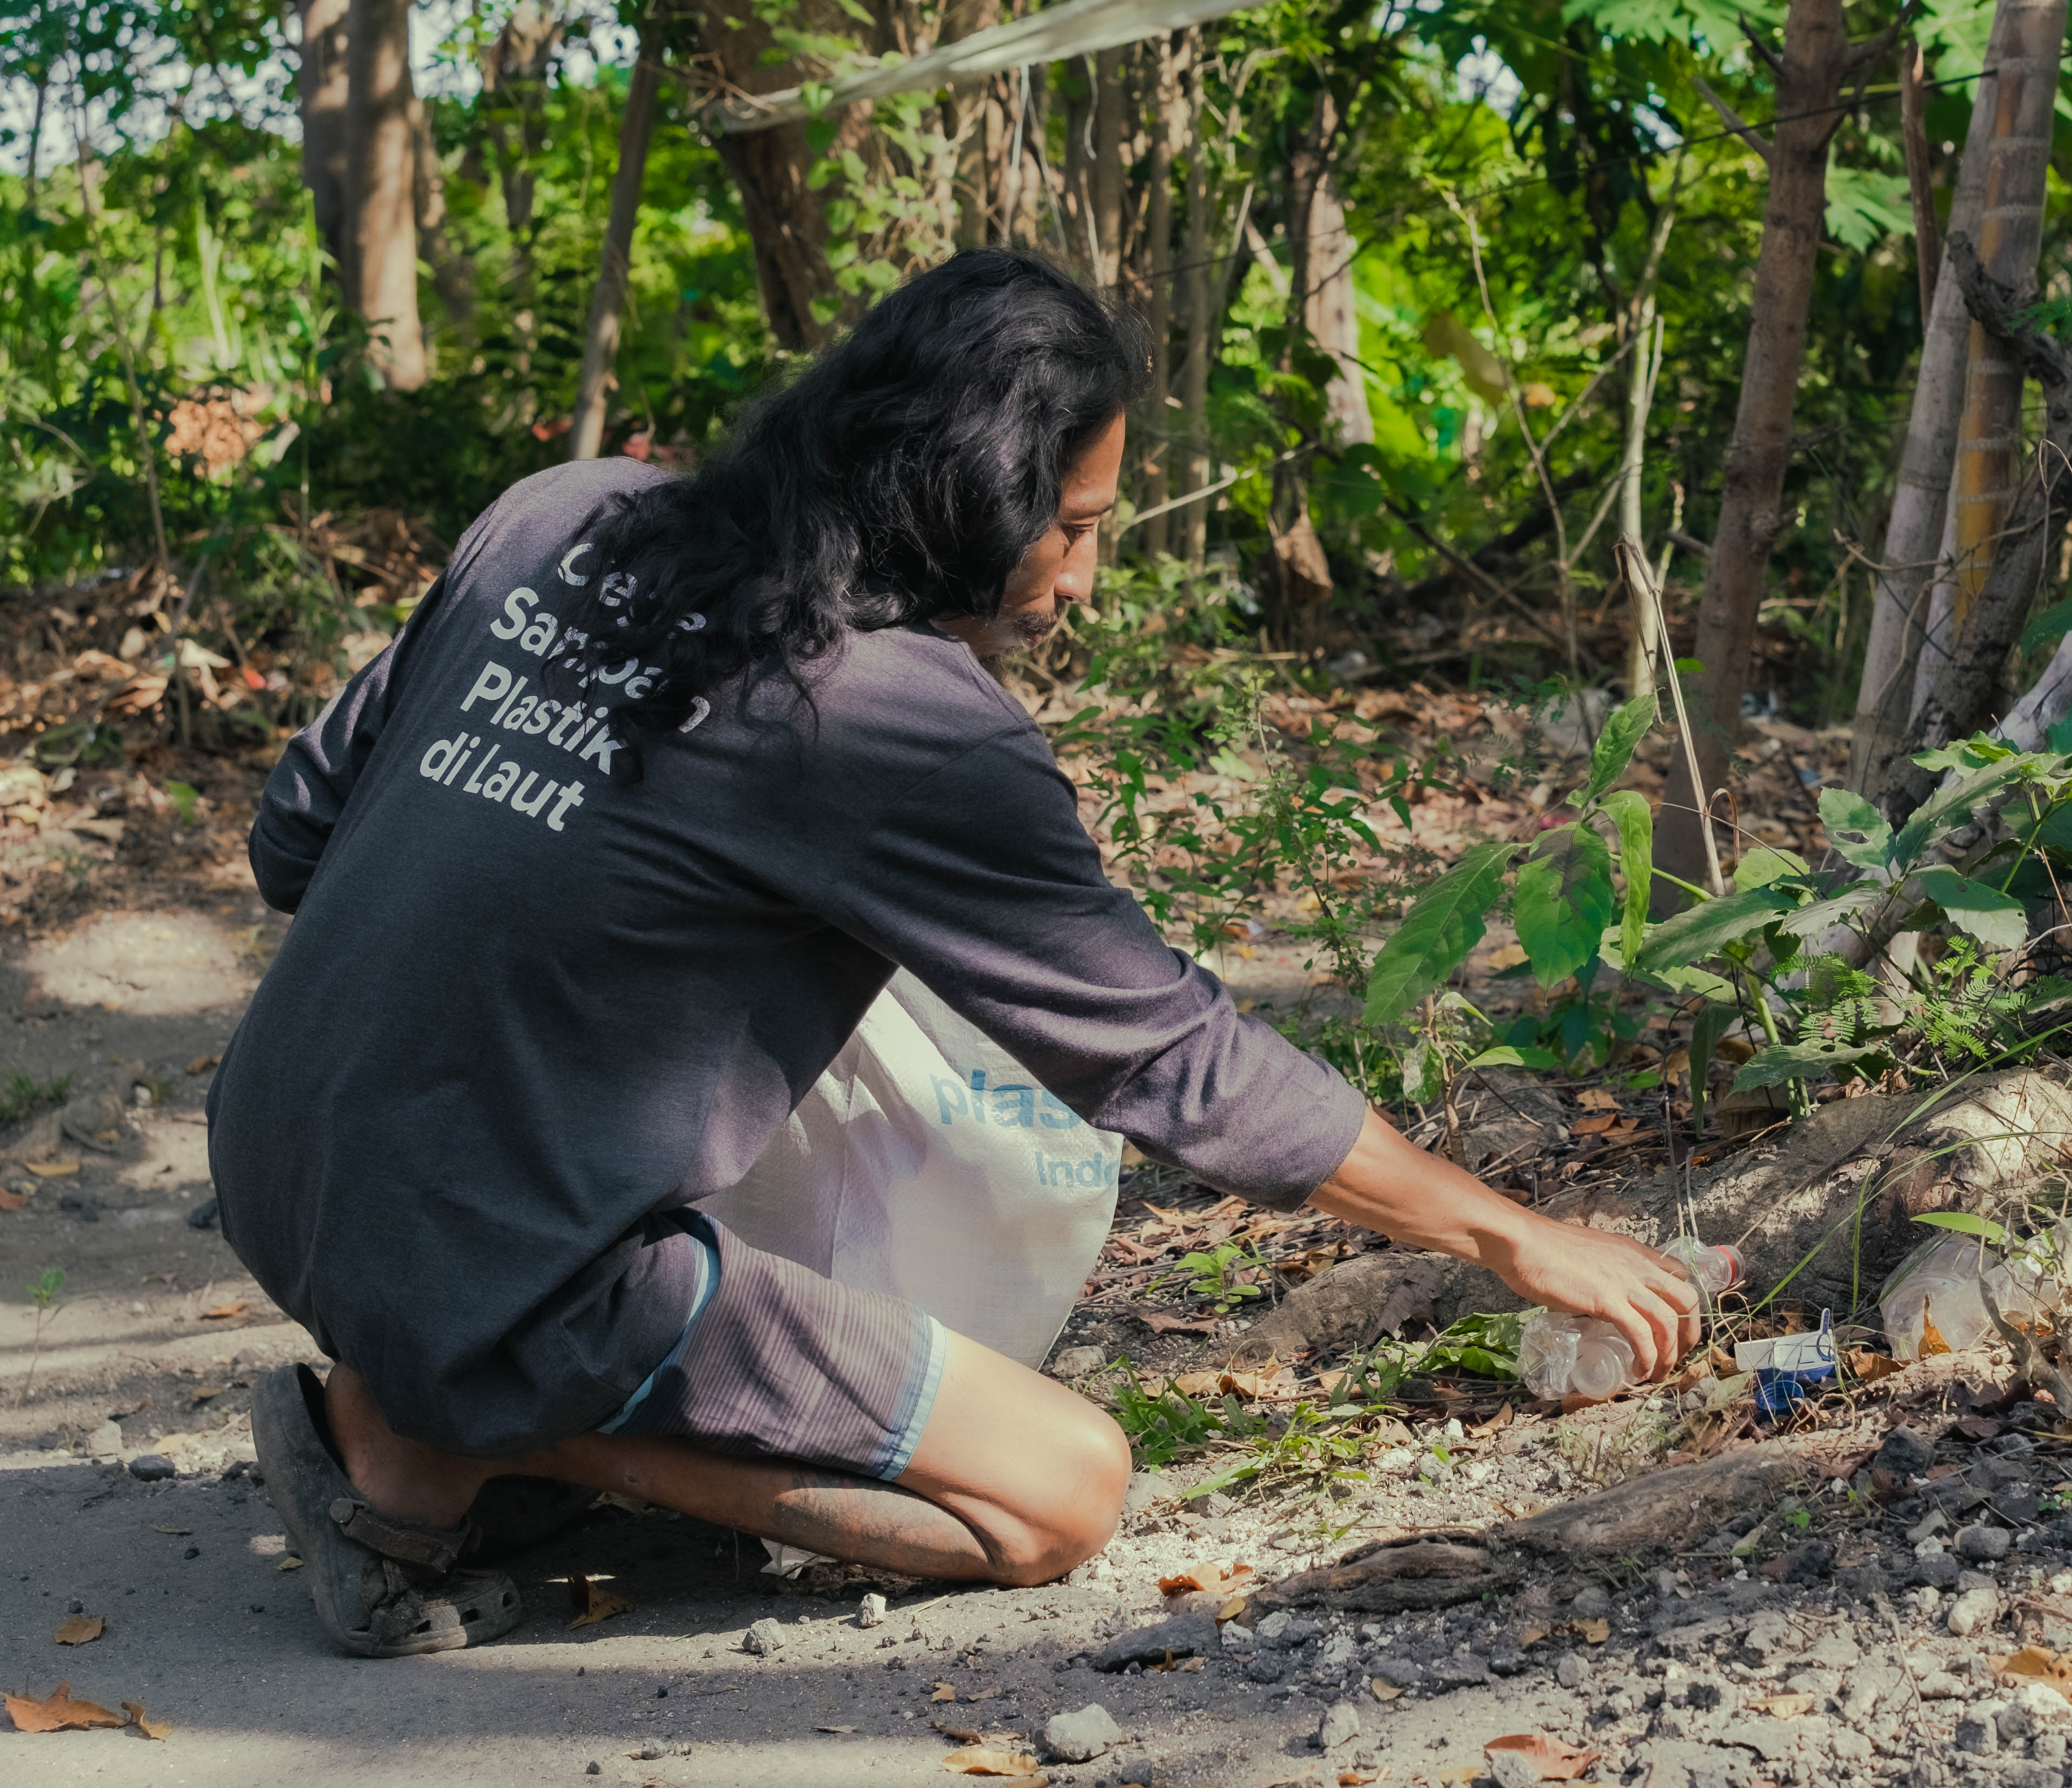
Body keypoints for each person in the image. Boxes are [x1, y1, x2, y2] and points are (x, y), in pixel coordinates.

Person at [214, 250, 1702, 1659]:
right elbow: (1171, 1058)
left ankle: (440, 1372)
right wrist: (1511, 1235)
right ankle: (443, 1426)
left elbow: (295, 837)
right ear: (974, 491)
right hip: (484, 1261)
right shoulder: (896, 716)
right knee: (1057, 1494)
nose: (1085, 579)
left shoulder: (563, 511)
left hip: (275, 1157)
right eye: (1076, 528)